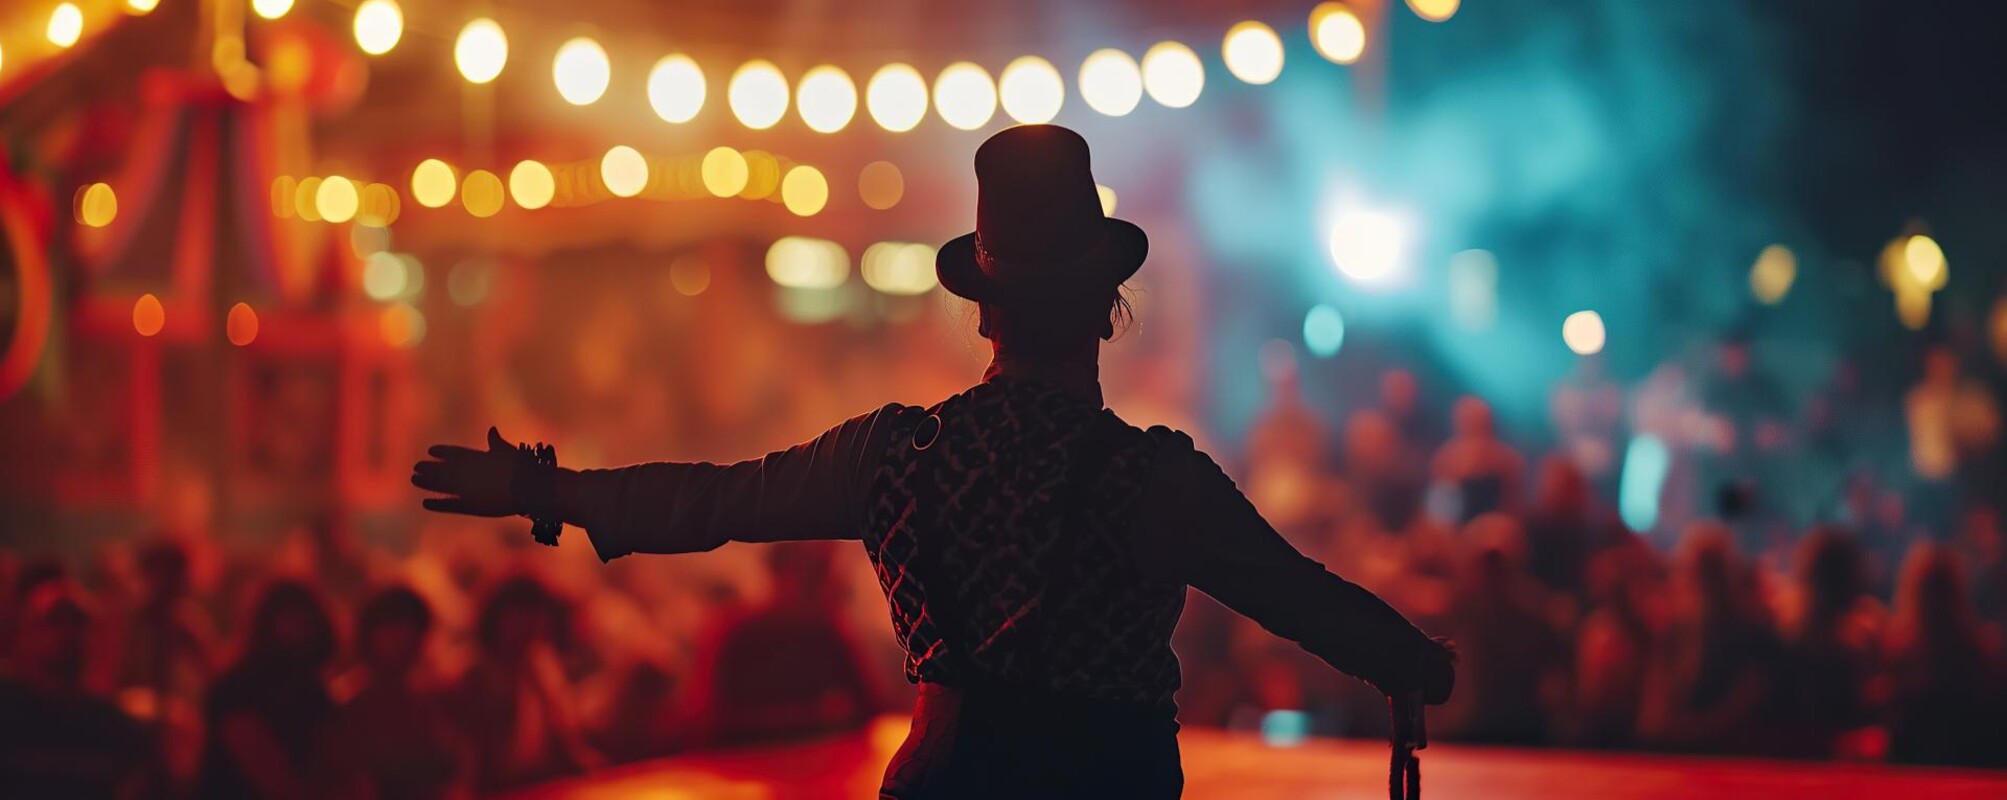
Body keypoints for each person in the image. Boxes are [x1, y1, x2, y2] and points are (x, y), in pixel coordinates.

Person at [412, 125, 1454, 798]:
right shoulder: (1153, 479)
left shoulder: (892, 453)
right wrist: (1413, 662)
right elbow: (1300, 597)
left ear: (983, 311)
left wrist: (545, 489)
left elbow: (713, 500)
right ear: (1106, 309)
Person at [0, 578, 155, 799]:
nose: (67, 633)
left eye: (78, 623)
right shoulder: (7, 711)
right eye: (53, 621)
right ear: (24, 634)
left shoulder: (114, 727)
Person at [321, 586, 471, 800]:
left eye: (411, 628)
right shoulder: (349, 706)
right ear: (369, 633)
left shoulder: (437, 698)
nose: (403, 637)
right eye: (393, 627)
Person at [195, 579, 338, 800]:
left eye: (302, 619)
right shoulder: (236, 689)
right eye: (287, 618)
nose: (295, 628)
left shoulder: (315, 692)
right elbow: (273, 779)